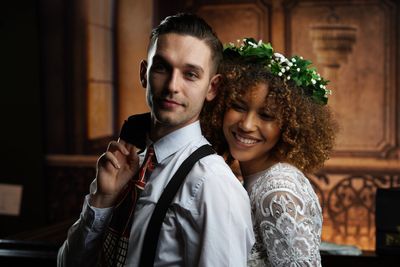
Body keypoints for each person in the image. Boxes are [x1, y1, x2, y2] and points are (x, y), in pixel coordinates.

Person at [58, 14, 254, 267]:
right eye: (162, 67)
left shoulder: (212, 185)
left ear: (212, 88)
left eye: (190, 74)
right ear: (144, 73)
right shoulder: (130, 163)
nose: (172, 86)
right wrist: (102, 201)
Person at [201, 38, 338, 266]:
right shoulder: (254, 179)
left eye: (266, 116)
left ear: (288, 127)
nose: (246, 124)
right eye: (238, 106)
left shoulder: (278, 191)